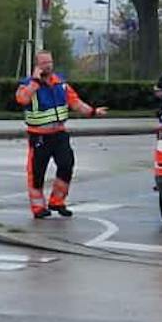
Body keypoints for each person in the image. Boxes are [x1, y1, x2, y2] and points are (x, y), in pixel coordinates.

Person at [14, 49, 109, 219]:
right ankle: (38, 208)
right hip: (39, 136)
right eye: (44, 63)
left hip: (59, 133)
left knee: (66, 165)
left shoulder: (60, 83)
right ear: (37, 66)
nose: (48, 66)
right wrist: (35, 82)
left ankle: (57, 201)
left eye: (50, 62)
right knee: (37, 173)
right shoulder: (28, 84)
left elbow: (76, 103)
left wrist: (93, 112)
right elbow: (22, 99)